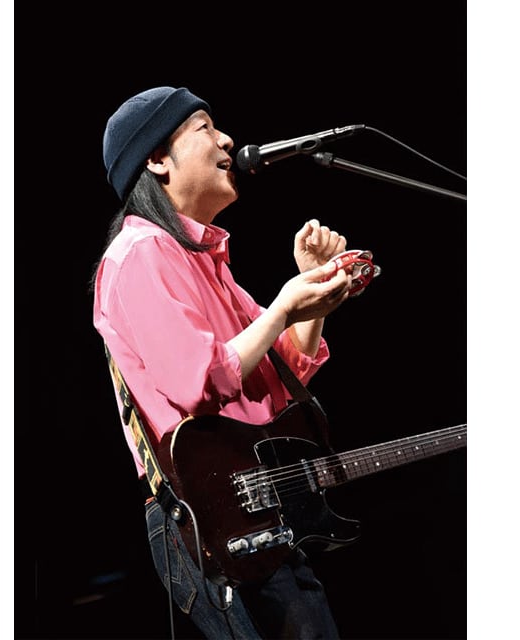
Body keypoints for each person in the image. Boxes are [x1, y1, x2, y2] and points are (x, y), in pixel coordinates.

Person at [91, 85, 367, 639]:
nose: (227, 141)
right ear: (157, 159)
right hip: (205, 518)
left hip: (251, 504)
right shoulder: (139, 253)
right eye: (205, 128)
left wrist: (314, 296)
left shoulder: (203, 259)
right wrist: (283, 307)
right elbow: (200, 380)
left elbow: (278, 375)